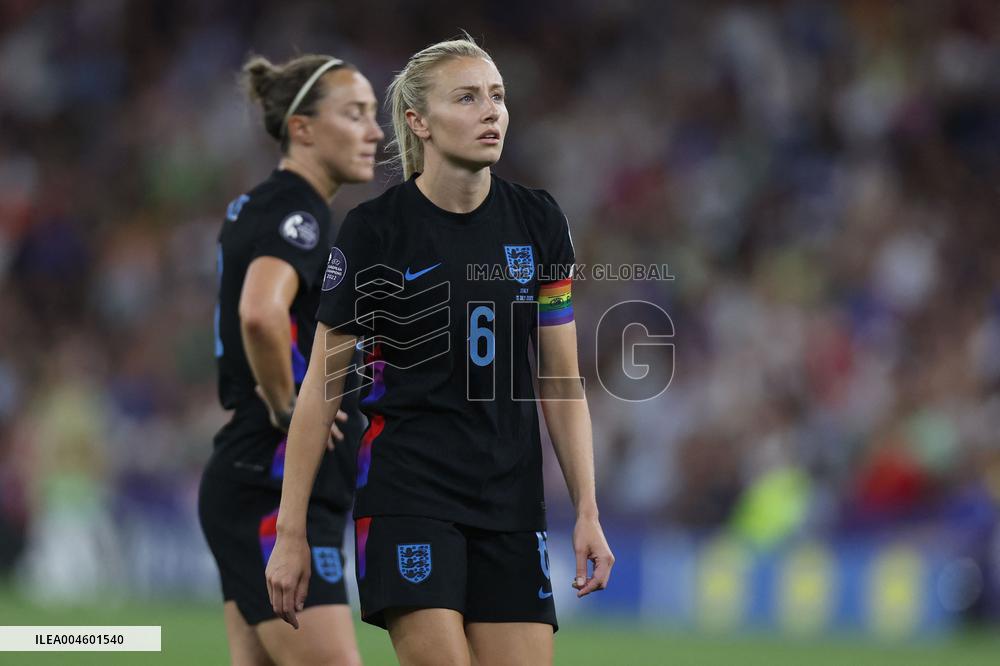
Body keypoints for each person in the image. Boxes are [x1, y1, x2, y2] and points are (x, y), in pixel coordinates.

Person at [266, 36, 614, 666]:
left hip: (510, 503)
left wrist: (587, 510)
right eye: (468, 98)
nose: (492, 111)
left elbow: (561, 383)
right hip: (407, 496)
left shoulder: (539, 222)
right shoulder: (375, 232)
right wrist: (291, 532)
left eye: (497, 96)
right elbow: (322, 388)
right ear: (419, 122)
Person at [199, 52, 383, 666]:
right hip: (272, 484)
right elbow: (260, 312)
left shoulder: (269, 204)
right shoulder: (296, 212)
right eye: (355, 114)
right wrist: (288, 405)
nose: (375, 132)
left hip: (254, 476)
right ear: (302, 128)